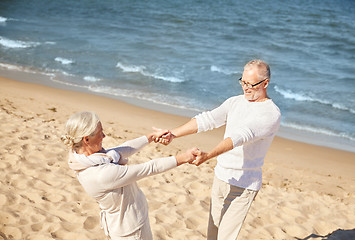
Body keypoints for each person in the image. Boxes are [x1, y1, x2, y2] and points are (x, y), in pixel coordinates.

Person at [156, 59, 281, 240]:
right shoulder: (235, 102)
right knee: (212, 236)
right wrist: (173, 134)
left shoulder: (270, 114)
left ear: (265, 83)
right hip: (221, 177)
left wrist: (208, 155)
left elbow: (240, 136)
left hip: (243, 185)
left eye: (251, 84)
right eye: (243, 82)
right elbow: (208, 119)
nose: (245, 88)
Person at [61, 111, 197, 240]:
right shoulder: (101, 174)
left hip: (126, 225)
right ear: (86, 139)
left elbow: (121, 150)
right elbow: (150, 167)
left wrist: (151, 137)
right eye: (100, 133)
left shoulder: (82, 158)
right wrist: (185, 157)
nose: (104, 136)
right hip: (131, 231)